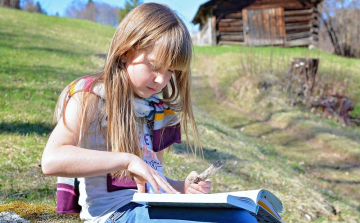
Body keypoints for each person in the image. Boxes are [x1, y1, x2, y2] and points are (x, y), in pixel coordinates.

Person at [41, 3, 257, 223]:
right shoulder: (91, 97)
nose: (161, 80)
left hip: (151, 208)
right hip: (116, 214)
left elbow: (154, 180)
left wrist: (183, 187)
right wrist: (127, 160)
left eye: (170, 71)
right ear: (126, 51)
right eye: (154, 66)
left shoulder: (155, 111)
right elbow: (52, 159)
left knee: (243, 217)